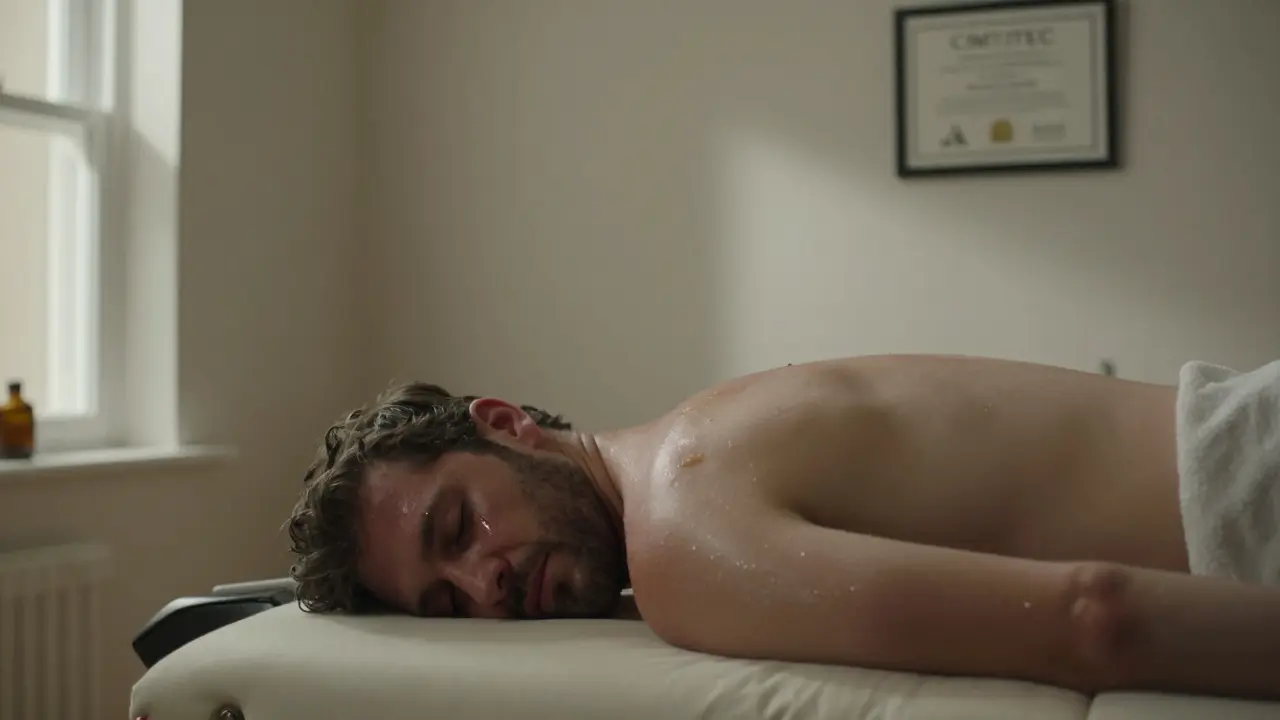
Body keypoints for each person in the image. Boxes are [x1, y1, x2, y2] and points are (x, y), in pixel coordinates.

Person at [286, 354, 1280, 699]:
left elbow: (1094, 617)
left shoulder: (678, 536)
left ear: (506, 427)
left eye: (457, 528)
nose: (482, 587)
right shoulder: (715, 414)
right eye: (444, 605)